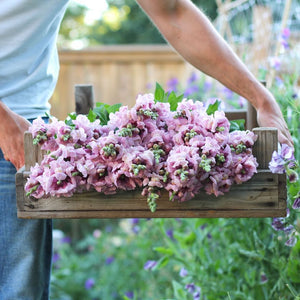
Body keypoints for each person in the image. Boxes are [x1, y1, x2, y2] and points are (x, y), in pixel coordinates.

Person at [0, 0, 293, 299]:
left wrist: (262, 99)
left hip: (23, 130)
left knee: (19, 292)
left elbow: (173, 12)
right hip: (9, 130)